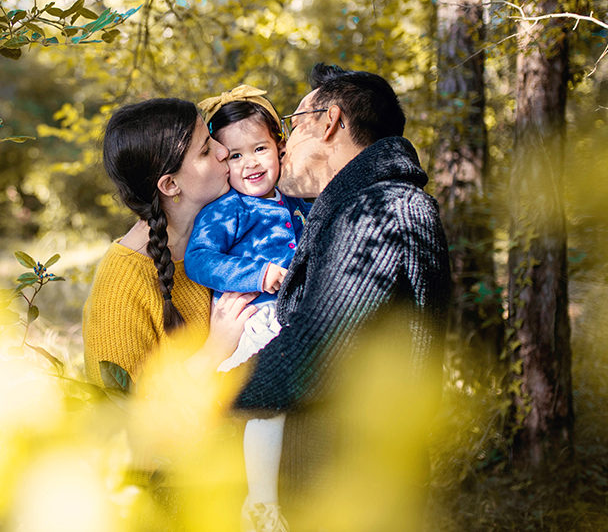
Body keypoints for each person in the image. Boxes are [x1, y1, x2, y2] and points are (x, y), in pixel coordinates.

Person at [232, 64, 451, 521]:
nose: (282, 144)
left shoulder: (384, 208)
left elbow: (316, 346)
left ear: (328, 121)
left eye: (290, 126)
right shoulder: (355, 208)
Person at [183, 86, 310, 532]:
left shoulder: (297, 201)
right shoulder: (227, 210)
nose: (250, 163)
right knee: (267, 404)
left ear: (279, 144)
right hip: (259, 315)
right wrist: (256, 275)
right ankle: (261, 503)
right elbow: (200, 260)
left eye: (258, 148)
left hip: (298, 312)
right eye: (234, 156)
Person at [82, 97, 257, 390]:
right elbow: (123, 414)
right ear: (170, 185)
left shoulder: (223, 234)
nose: (224, 151)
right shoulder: (121, 285)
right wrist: (215, 349)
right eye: (205, 150)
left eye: (213, 138)